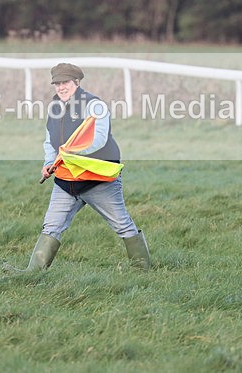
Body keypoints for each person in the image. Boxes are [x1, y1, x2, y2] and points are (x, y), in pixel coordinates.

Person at [11, 62, 150, 271]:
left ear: (76, 82)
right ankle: (32, 274)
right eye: (57, 83)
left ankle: (142, 270)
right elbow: (50, 140)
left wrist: (69, 153)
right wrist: (50, 163)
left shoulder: (95, 105)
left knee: (122, 224)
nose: (61, 87)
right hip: (66, 181)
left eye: (65, 82)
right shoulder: (54, 107)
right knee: (51, 226)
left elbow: (99, 139)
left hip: (97, 181)